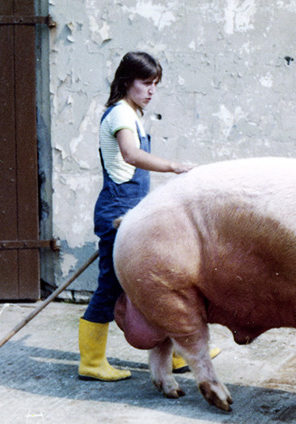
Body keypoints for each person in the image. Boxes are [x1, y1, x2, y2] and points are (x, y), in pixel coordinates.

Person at [78, 51, 216, 381]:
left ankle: (181, 354)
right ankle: (91, 362)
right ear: (127, 82)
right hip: (117, 211)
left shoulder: (131, 113)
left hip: (131, 213)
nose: (152, 90)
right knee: (110, 286)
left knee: (157, 284)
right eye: (146, 83)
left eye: (156, 84)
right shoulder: (121, 115)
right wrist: (173, 166)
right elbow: (131, 154)